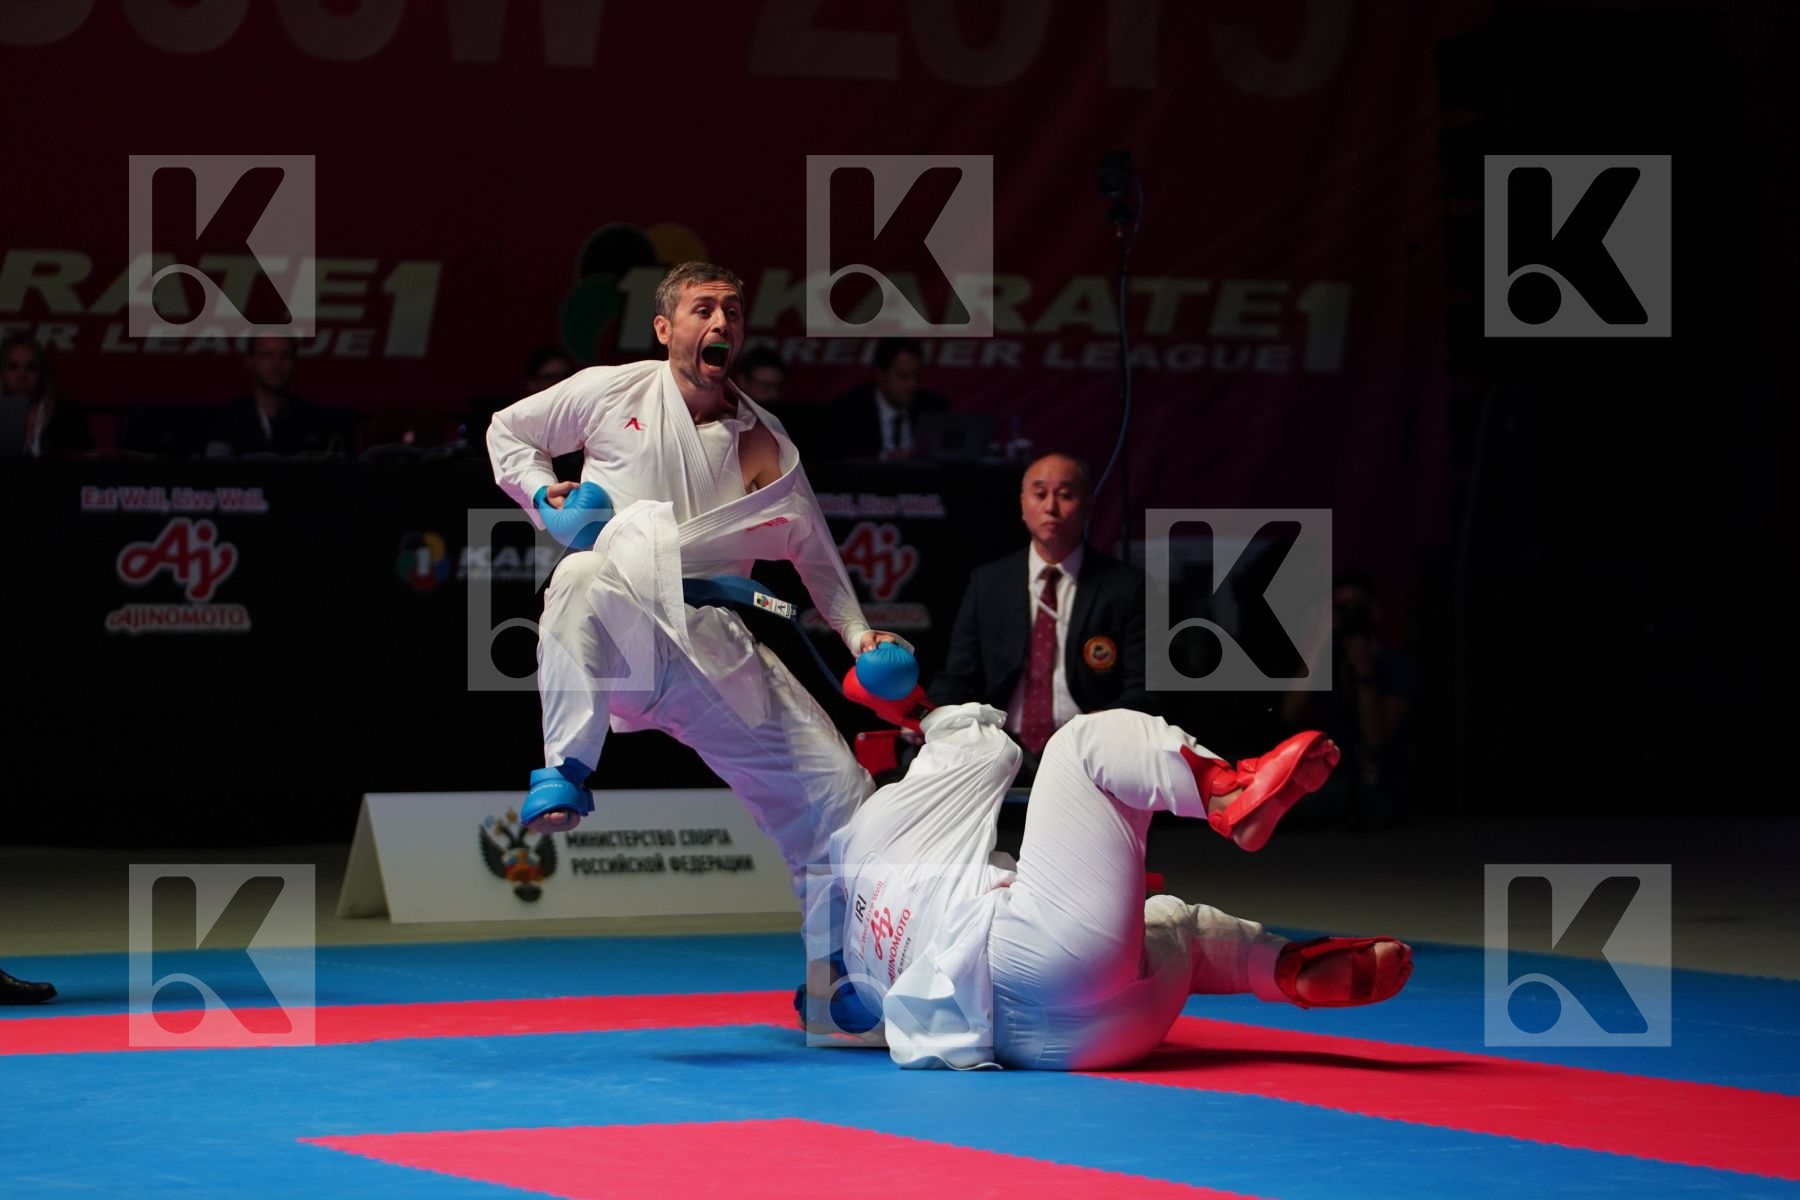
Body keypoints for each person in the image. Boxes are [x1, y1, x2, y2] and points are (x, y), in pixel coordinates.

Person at [485, 261, 904, 931]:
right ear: (663, 328)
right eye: (703, 309)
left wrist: (858, 635)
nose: (721, 323)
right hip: (619, 628)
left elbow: (813, 549)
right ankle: (565, 769)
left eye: (732, 312)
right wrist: (542, 492)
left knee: (835, 790)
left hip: (709, 642)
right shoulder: (610, 390)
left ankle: (840, 973)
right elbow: (509, 431)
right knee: (580, 574)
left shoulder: (765, 438)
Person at [801, 681, 1412, 1070]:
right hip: (1031, 961)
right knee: (1081, 745)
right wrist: (916, 710)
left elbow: (836, 1014)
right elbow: (992, 749)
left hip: (1081, 1045)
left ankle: (1279, 966)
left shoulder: (860, 963)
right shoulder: (878, 820)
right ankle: (1226, 791)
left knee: (1175, 926)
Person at [928, 453, 1150, 781]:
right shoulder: (987, 584)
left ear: (1089, 506)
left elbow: (1147, 691)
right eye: (1040, 494)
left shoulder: (1129, 587)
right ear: (1022, 505)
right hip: (999, 748)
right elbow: (957, 678)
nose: (1051, 507)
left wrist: (1103, 724)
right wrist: (931, 715)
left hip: (1089, 750)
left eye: (1065, 495)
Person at [1278, 569, 1422, 830]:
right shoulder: (1323, 665)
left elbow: (1375, 740)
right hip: (1327, 776)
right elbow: (1287, 715)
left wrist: (1364, 674)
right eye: (1339, 608)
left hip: (1377, 782)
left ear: (1373, 611)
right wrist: (1319, 641)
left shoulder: (1396, 665)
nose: (1347, 616)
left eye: (1355, 607)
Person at [208, 336, 338, 456]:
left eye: (285, 356)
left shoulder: (313, 420)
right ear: (250, 361)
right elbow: (215, 472)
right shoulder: (228, 418)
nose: (277, 364)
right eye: (267, 355)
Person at [822, 337, 947, 461]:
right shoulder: (849, 410)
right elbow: (841, 459)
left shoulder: (933, 408)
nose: (912, 384)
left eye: (916, 376)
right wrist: (885, 458)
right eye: (903, 376)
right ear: (880, 374)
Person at [2, 333, 93, 457]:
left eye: (31, 368)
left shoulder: (70, 416)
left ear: (42, 373)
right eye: (13, 367)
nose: (22, 375)